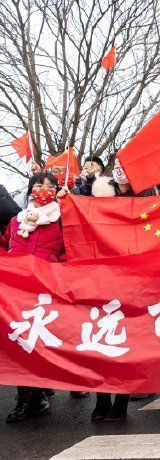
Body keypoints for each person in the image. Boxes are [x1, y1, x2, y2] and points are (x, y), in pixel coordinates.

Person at [2, 172, 64, 423]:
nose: (43, 190)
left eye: (50, 186)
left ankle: (37, 396)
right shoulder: (16, 221)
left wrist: (52, 268)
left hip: (45, 289)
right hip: (15, 289)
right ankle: (25, 397)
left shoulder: (62, 219)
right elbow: (6, 245)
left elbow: (70, 251)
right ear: (30, 189)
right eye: (38, 184)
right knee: (19, 343)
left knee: (39, 343)